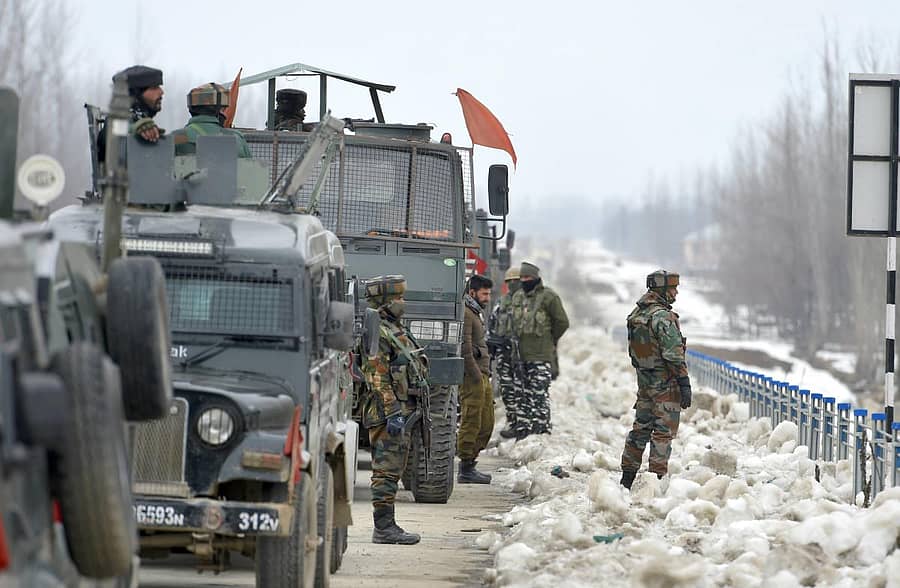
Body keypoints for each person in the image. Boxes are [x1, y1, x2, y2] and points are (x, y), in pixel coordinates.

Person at [359, 275, 426, 545]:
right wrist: (392, 411)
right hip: (388, 412)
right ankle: (384, 528)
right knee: (386, 471)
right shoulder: (378, 330)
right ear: (385, 301)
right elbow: (376, 376)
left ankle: (388, 525)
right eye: (398, 298)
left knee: (394, 469)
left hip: (402, 408)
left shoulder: (394, 327)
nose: (402, 302)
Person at [619, 270, 692, 490]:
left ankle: (627, 478)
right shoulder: (663, 317)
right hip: (665, 384)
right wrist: (684, 383)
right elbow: (673, 354)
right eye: (673, 289)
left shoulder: (637, 314)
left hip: (645, 383)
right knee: (663, 433)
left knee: (640, 429)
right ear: (661, 289)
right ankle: (656, 480)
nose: (676, 293)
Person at [509, 262, 569, 438]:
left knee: (539, 395)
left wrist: (550, 339)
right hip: (520, 355)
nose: (525, 281)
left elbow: (562, 322)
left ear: (536, 278)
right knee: (521, 395)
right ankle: (523, 430)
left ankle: (541, 431)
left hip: (541, 356)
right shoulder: (518, 297)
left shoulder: (549, 297)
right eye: (522, 278)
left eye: (528, 278)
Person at [458, 274, 495, 484]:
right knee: (472, 419)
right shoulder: (466, 313)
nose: (488, 298)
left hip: (482, 374)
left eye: (489, 293)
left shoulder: (475, 312)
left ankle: (472, 461)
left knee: (487, 421)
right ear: (472, 292)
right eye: (484, 293)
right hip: (474, 376)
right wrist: (474, 375)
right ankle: (465, 466)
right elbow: (465, 348)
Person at [97, 65, 165, 161]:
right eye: (154, 87)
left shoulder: (140, 118)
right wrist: (135, 128)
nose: (161, 92)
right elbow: (115, 129)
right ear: (136, 93)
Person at [488, 267, 523, 439]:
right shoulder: (501, 304)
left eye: (516, 281)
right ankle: (513, 422)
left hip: (523, 355)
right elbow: (492, 326)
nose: (513, 285)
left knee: (523, 390)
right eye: (510, 282)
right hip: (504, 353)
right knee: (507, 390)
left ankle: (525, 425)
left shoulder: (529, 304)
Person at [171, 83, 252, 158]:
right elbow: (250, 171)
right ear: (218, 110)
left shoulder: (177, 137)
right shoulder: (237, 139)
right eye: (223, 109)